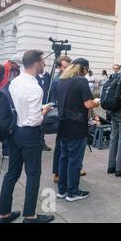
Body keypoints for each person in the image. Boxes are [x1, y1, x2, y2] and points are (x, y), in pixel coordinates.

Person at [0, 50, 54, 223]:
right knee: (33, 174)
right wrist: (44, 111)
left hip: (14, 131)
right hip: (29, 134)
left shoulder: (14, 81)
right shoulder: (35, 88)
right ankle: (30, 216)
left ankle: (4, 214)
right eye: (43, 62)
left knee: (12, 173)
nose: (44, 64)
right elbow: (35, 120)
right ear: (36, 63)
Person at [55, 58, 100, 202]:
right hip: (77, 126)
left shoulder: (61, 80)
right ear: (84, 68)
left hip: (63, 125)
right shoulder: (81, 81)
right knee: (74, 160)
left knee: (64, 158)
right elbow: (88, 104)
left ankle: (62, 190)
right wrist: (97, 102)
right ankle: (73, 192)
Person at [51, 55, 72, 184]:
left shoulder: (69, 77)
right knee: (60, 146)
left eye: (69, 66)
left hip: (70, 115)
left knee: (70, 145)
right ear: (59, 67)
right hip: (62, 116)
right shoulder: (57, 79)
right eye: (64, 67)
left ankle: (71, 169)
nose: (67, 69)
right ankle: (57, 172)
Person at [37, 70, 52, 152]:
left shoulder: (48, 75)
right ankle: (37, 142)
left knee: (43, 123)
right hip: (36, 102)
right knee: (36, 122)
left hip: (45, 102)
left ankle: (42, 143)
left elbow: (51, 88)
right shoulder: (34, 74)